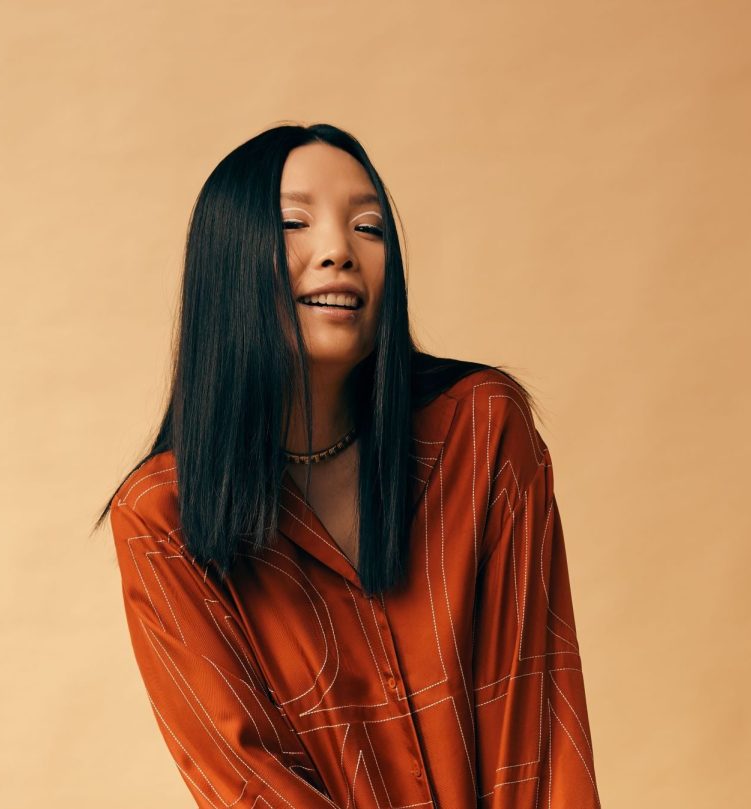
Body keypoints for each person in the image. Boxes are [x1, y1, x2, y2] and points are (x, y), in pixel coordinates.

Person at [94, 122, 601, 808]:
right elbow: (247, 781)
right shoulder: (162, 518)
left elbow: (534, 724)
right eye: (295, 222)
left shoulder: (483, 432)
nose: (339, 251)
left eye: (369, 227)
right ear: (229, 260)